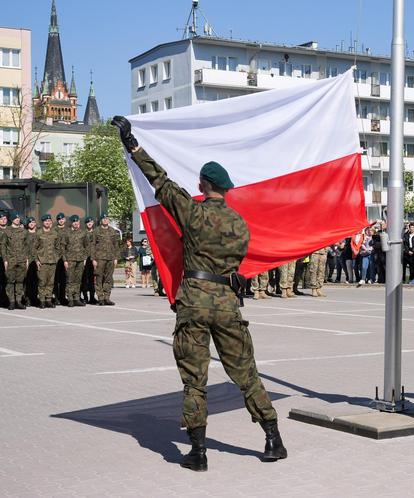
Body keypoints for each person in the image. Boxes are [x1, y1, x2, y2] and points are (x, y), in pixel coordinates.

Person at [112, 115, 287, 471]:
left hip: (194, 300)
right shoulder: (240, 224)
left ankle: (198, 452)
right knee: (246, 373)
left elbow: (159, 180)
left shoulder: (192, 213)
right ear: (225, 188)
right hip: (226, 303)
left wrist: (133, 145)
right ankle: (272, 438)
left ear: (202, 184)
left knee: (195, 379)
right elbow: (237, 262)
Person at [92, 213, 120, 306]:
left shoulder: (112, 231)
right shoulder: (96, 231)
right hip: (99, 258)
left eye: (107, 218)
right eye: (103, 219)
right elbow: (92, 246)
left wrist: (116, 258)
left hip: (110, 258)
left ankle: (107, 297)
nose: (105, 220)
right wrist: (93, 259)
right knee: (99, 278)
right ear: (101, 221)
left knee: (108, 278)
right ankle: (100, 298)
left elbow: (116, 245)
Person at [2, 211, 28, 310]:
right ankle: (11, 302)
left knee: (20, 281)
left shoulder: (24, 232)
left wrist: (26, 259)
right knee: (10, 281)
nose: (18, 219)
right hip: (11, 260)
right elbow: (3, 246)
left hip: (21, 260)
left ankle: (18, 301)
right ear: (12, 219)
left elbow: (26, 247)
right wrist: (5, 260)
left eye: (18, 218)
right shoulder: (7, 231)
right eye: (16, 218)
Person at [35, 214, 61, 308]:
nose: (48, 222)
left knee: (51, 281)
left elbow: (58, 247)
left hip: (52, 261)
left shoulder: (54, 233)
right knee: (42, 281)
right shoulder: (38, 233)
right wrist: (36, 260)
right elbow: (34, 248)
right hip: (42, 261)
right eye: (46, 221)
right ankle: (42, 300)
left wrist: (56, 257)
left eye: (49, 221)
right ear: (43, 222)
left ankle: (48, 299)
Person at [63, 215, 89, 307]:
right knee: (70, 280)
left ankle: (76, 298)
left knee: (78, 280)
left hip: (80, 260)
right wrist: (65, 260)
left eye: (77, 221)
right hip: (70, 260)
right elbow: (63, 247)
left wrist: (85, 258)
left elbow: (87, 246)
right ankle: (70, 298)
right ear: (71, 223)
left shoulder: (83, 233)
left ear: (79, 222)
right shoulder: (67, 233)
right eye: (74, 222)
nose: (75, 223)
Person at [81, 216, 98, 304]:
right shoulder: (83, 233)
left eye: (91, 222)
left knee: (92, 279)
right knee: (84, 278)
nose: (89, 223)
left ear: (93, 223)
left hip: (94, 258)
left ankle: (92, 297)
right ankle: (85, 297)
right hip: (85, 258)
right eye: (88, 222)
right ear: (86, 224)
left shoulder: (96, 233)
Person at [24, 216, 39, 306]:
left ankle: (34, 297)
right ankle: (28, 298)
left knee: (37, 280)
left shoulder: (39, 234)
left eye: (33, 222)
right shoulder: (25, 234)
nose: (32, 224)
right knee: (28, 280)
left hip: (38, 260)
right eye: (30, 222)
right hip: (28, 260)